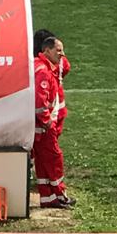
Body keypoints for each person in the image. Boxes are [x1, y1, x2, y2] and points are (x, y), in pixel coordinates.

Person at [32, 30, 71, 209]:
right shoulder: (44, 72)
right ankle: (60, 194)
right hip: (45, 127)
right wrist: (47, 121)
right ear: (47, 50)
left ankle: (48, 198)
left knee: (43, 161)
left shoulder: (42, 66)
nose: (62, 55)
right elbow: (40, 102)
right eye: (59, 51)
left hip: (40, 127)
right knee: (55, 159)